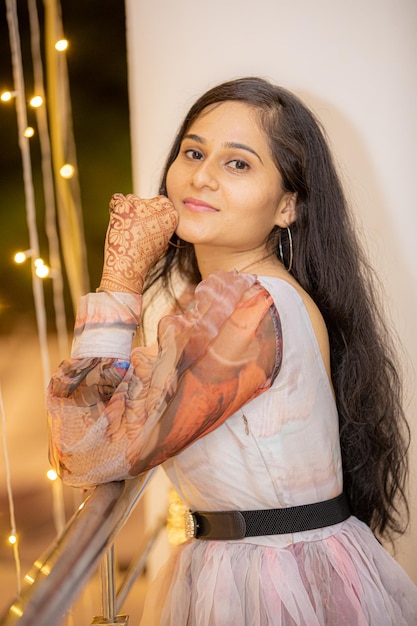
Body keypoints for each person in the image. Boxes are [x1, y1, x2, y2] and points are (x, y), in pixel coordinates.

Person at [47, 76, 417, 625]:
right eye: (193, 152)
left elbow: (89, 451)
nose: (201, 175)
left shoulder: (253, 309)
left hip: (268, 583)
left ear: (287, 206)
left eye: (238, 164)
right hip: (244, 566)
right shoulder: (221, 302)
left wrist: (121, 276)